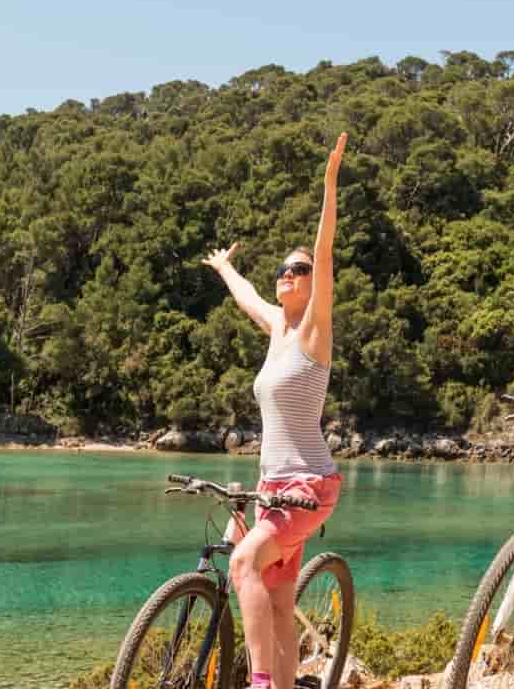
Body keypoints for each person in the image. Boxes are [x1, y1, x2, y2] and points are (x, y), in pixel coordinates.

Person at [201, 133, 347, 689]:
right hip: (271, 491)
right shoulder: (279, 330)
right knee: (281, 612)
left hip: (309, 485)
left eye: (298, 269)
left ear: (313, 285)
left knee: (242, 566)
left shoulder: (313, 330)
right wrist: (223, 269)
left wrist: (330, 187)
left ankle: (257, 683)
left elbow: (326, 253)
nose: (288, 273)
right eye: (283, 269)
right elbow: (246, 299)